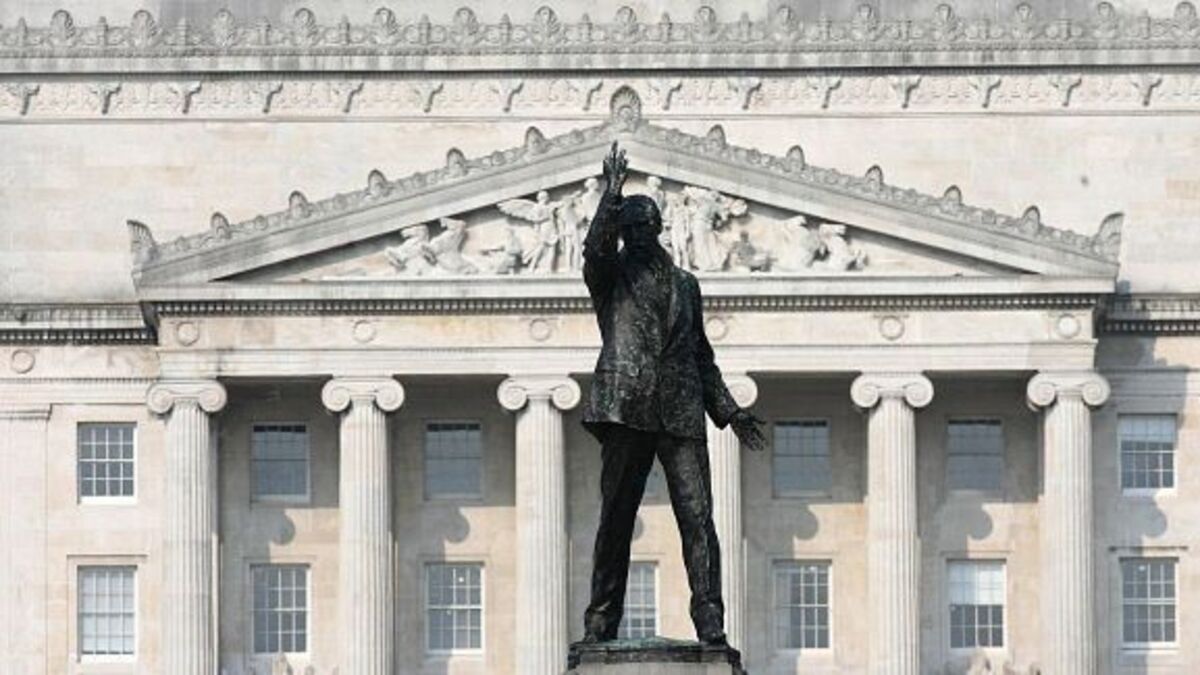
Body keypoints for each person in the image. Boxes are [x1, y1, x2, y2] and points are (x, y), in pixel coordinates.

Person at [580, 142, 766, 646]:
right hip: (626, 408)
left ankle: (710, 621)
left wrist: (730, 411)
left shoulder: (686, 285)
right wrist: (611, 196)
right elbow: (594, 250)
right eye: (630, 228)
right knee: (616, 519)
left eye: (645, 226)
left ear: (659, 227)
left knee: (699, 521)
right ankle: (601, 620)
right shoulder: (610, 278)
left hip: (681, 412)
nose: (638, 235)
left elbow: (700, 353)